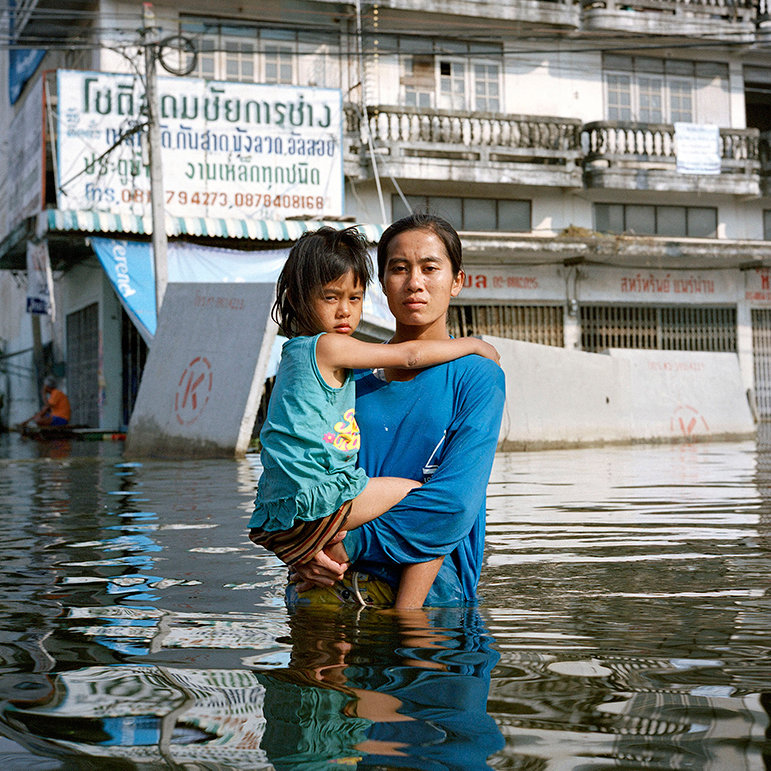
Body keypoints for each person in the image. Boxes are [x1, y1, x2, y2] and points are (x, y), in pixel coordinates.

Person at [248, 226, 499, 609]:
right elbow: (301, 473)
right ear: (382, 283)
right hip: (323, 587)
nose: (414, 282)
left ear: (456, 281)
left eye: (430, 268)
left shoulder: (477, 376)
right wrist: (304, 555)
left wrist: (344, 544)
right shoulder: (347, 377)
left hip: (431, 602)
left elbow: (454, 505)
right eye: (399, 268)